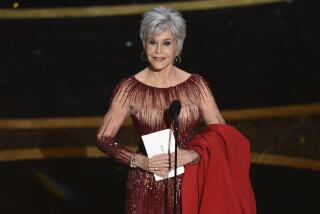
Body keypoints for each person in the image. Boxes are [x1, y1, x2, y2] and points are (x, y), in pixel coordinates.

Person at [96, 6, 226, 214]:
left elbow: (222, 136)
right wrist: (139, 161)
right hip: (144, 187)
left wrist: (194, 155)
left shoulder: (197, 86)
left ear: (178, 47)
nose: (158, 51)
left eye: (166, 43)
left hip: (189, 184)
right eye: (152, 42)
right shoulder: (129, 88)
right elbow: (104, 139)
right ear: (144, 44)